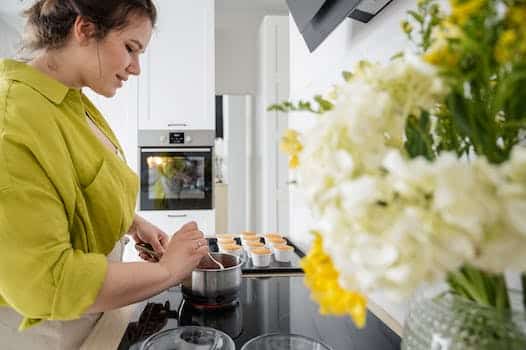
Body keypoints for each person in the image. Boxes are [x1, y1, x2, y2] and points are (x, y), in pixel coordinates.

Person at [0, 0, 210, 348]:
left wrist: (130, 221)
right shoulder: (13, 119)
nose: (136, 67)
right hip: (46, 334)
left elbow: (71, 188)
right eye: (130, 48)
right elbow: (44, 284)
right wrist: (167, 271)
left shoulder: (72, 100)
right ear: (84, 29)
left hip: (91, 318)